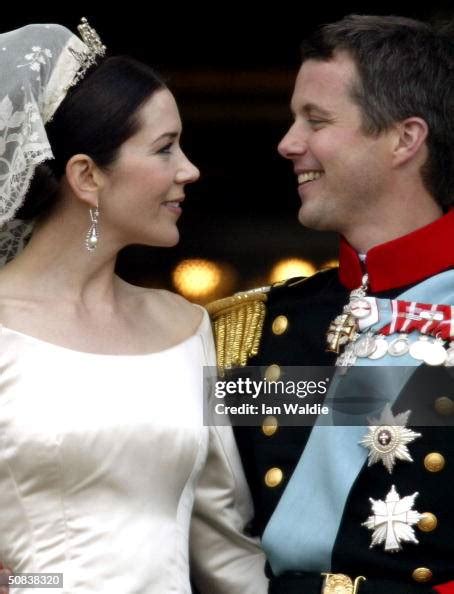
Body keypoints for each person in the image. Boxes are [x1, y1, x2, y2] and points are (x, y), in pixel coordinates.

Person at [0, 20, 268, 594]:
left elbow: (226, 546)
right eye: (165, 148)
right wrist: (40, 586)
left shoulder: (188, 326)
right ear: (86, 176)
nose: (189, 170)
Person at [208, 14, 454, 594]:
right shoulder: (251, 331)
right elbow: (173, 518)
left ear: (404, 138)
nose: (288, 143)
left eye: (314, 120)